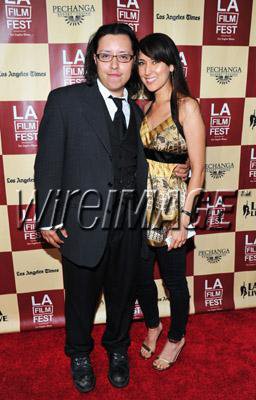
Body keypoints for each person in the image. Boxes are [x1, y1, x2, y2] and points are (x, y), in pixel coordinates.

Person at [34, 23, 189, 392]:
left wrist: (179, 166)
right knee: (80, 301)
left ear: (134, 62)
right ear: (94, 59)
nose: (115, 65)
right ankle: (79, 353)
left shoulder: (139, 111)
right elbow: (48, 163)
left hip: (130, 225)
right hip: (82, 225)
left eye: (124, 56)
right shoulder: (66, 100)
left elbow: (154, 160)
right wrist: (48, 215)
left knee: (122, 297)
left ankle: (117, 349)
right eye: (106, 55)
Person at [136, 33, 205, 371]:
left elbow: (200, 167)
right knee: (138, 276)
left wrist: (183, 221)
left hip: (171, 207)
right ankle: (153, 326)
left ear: (171, 66)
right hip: (138, 205)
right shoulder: (144, 104)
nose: (148, 70)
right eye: (142, 63)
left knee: (173, 280)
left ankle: (176, 337)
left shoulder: (186, 105)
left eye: (155, 62)